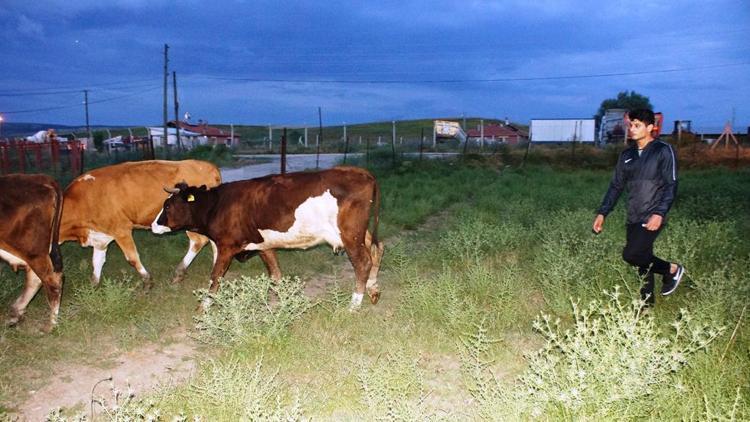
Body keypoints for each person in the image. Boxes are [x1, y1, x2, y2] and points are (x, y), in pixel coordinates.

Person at [592, 108, 685, 305]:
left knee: (632, 254)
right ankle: (646, 304)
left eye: (637, 125)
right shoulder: (627, 155)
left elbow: (671, 184)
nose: (632, 129)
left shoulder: (663, 150)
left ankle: (672, 270)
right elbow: (616, 186)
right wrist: (603, 212)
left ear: (650, 127)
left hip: (653, 213)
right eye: (630, 125)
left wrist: (659, 213)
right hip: (634, 214)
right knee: (643, 258)